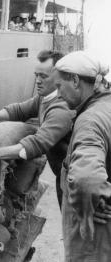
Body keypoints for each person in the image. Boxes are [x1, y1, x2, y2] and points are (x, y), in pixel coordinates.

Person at [0, 50, 74, 208]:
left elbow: (38, 144)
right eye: (36, 75)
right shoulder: (45, 97)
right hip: (65, 174)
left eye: (44, 76)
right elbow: (19, 110)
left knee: (80, 228)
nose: (38, 81)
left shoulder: (62, 108)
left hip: (77, 179)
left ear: (60, 77)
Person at [54, 51, 111, 262]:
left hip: (96, 237)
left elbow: (86, 179)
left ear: (76, 81)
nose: (58, 94)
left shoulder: (90, 121)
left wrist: (86, 214)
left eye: (60, 86)